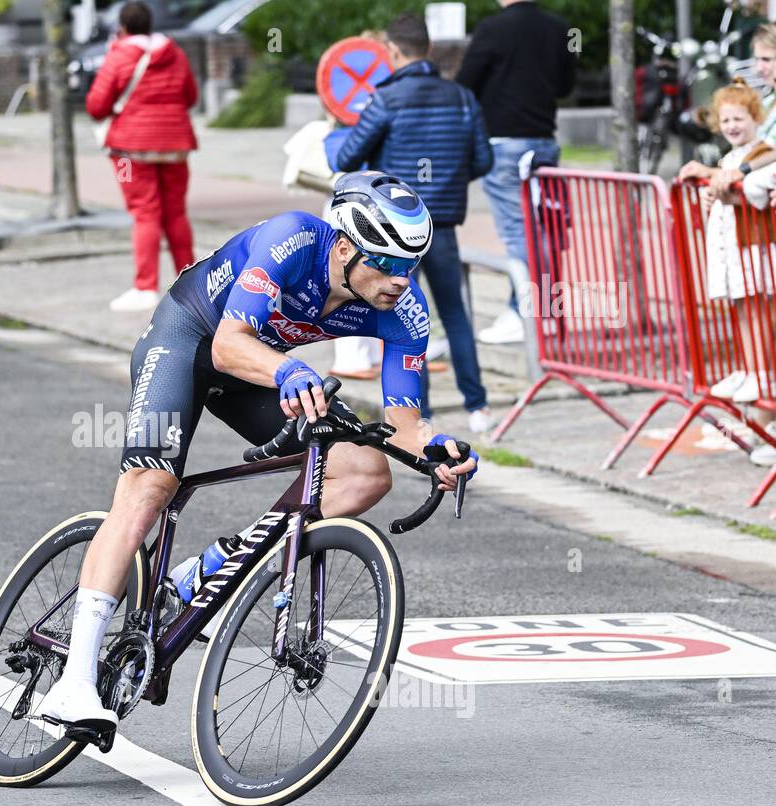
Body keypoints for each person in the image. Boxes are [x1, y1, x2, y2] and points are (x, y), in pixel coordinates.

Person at [35, 171, 480, 732]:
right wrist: (291, 370)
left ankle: (204, 572)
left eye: (409, 266)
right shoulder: (291, 239)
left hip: (262, 367)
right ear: (344, 247)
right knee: (149, 489)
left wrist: (436, 448)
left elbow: (403, 425)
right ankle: (73, 681)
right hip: (192, 341)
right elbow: (227, 345)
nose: (398, 280)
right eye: (385, 263)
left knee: (366, 472)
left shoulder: (403, 311)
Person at [334, 14, 495, 433]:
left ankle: (419, 412)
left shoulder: (386, 99)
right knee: (454, 313)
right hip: (441, 224)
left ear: (391, 50)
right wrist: (446, 182)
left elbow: (345, 159)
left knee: (407, 315)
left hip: (394, 234)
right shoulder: (462, 97)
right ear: (429, 46)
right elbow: (483, 160)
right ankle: (478, 407)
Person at [456, 0, 577, 345]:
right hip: (544, 143)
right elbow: (566, 86)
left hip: (505, 143)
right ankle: (547, 310)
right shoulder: (560, 27)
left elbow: (466, 84)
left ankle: (523, 311)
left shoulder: (492, 29)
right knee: (547, 227)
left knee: (518, 232)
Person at [679, 82, 775, 458]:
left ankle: (765, 422)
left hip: (757, 258)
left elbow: (755, 189)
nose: (732, 125)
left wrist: (728, 190)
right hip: (737, 259)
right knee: (747, 324)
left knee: (762, 334)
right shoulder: (729, 157)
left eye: (739, 117)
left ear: (756, 118)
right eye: (726, 119)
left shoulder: (761, 152)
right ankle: (757, 417)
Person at [87, 0, 198, 313]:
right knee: (175, 212)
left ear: (122, 27)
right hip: (176, 146)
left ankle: (145, 286)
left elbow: (96, 104)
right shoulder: (174, 52)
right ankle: (190, 283)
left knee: (144, 212)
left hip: (127, 153)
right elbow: (191, 96)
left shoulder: (119, 54)